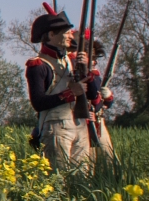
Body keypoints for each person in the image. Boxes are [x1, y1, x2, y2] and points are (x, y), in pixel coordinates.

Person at [25, 10, 99, 171]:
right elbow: (38, 103)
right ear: (51, 35)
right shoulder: (38, 65)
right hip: (56, 127)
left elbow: (93, 95)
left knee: (82, 180)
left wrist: (86, 69)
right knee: (59, 179)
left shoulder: (73, 61)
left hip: (80, 125)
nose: (70, 36)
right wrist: (69, 94)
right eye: (65, 33)